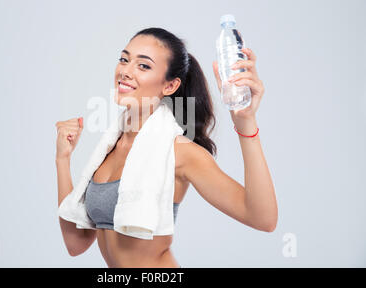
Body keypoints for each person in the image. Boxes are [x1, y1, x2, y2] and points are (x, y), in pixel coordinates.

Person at [55, 27, 278, 268]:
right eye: (124, 59)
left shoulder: (179, 151)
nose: (126, 71)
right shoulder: (108, 149)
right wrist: (63, 159)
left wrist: (246, 123)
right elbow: (75, 244)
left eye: (143, 66)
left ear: (170, 86)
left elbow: (263, 219)